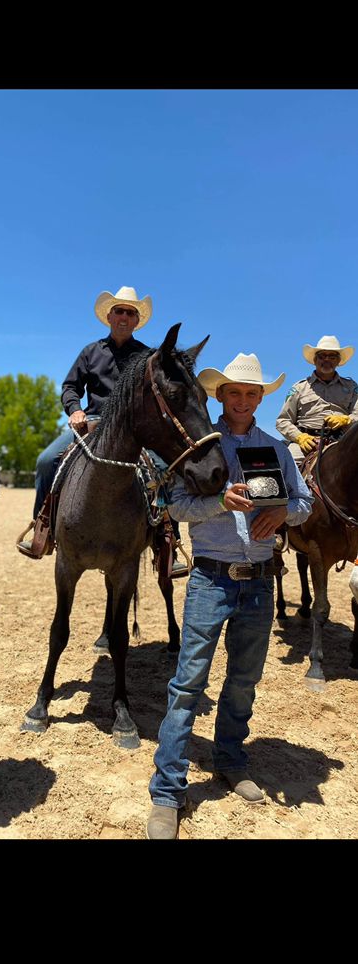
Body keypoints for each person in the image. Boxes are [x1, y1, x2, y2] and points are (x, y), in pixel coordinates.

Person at [146, 353, 313, 840]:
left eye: (251, 393)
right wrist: (218, 501)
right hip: (210, 579)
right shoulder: (201, 445)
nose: (242, 400)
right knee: (187, 686)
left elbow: (304, 502)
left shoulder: (277, 448)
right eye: (233, 393)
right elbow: (173, 505)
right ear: (219, 396)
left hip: (260, 579)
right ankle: (167, 792)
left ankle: (230, 761)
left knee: (243, 682)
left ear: (261, 397)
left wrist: (282, 514)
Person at [16, 286, 186, 571]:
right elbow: (70, 387)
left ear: (136, 321)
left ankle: (168, 541)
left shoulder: (148, 357)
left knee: (163, 470)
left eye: (130, 313)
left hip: (134, 430)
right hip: (91, 424)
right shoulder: (90, 352)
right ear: (109, 316)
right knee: (45, 461)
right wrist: (75, 410)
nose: (123, 316)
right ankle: (41, 528)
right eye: (119, 311)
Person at [276, 335, 358, 463]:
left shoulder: (352, 387)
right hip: (305, 444)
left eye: (332, 356)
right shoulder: (299, 388)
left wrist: (347, 420)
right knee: (287, 465)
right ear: (315, 360)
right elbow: (283, 421)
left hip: (341, 442)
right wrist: (300, 437)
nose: (327, 360)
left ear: (338, 361)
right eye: (322, 356)